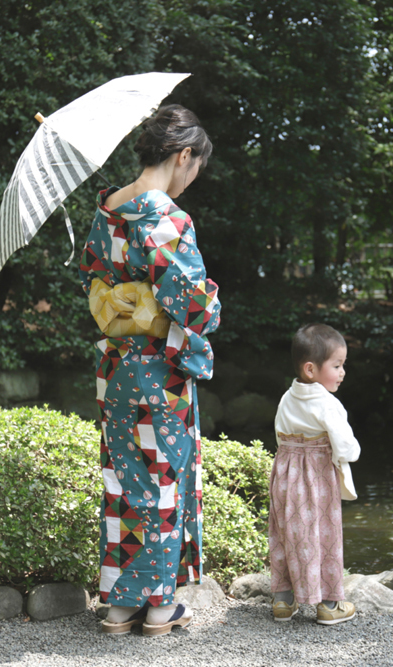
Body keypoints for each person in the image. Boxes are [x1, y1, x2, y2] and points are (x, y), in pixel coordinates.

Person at [78, 104, 221, 636]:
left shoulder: (108, 209)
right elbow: (192, 306)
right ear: (184, 155)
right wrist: (212, 305)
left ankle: (119, 606)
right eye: (195, 168)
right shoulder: (164, 217)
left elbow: (97, 286)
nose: (192, 180)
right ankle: (159, 605)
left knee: (123, 479)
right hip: (159, 370)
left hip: (115, 368)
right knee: (163, 479)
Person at [269, 323, 361, 625]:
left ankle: (284, 600)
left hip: (285, 475)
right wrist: (350, 453)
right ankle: (330, 604)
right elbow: (347, 447)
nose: (343, 372)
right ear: (311, 369)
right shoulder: (327, 404)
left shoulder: (287, 397)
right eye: (337, 365)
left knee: (288, 533)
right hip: (316, 477)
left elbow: (280, 435)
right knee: (323, 535)